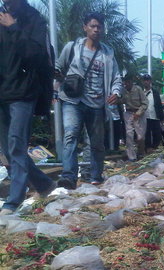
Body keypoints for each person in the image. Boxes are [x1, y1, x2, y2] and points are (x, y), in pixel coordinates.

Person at [0, 0, 56, 215]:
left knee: (16, 145)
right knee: (8, 150)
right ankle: (44, 184)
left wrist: (13, 27)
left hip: (23, 92)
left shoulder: (34, 19)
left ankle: (13, 200)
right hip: (2, 92)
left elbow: (36, 54)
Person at [55, 12, 123, 188]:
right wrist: (58, 84)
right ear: (85, 27)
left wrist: (116, 92)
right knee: (70, 134)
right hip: (72, 100)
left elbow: (116, 77)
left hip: (97, 103)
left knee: (97, 142)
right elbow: (58, 67)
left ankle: (95, 176)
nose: (96, 29)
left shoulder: (107, 54)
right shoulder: (72, 48)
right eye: (92, 26)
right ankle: (69, 176)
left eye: (99, 26)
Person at [120, 74, 148, 161]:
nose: (126, 84)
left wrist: (138, 113)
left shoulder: (138, 89)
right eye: (125, 82)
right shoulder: (123, 90)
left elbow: (145, 103)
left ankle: (141, 153)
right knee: (129, 135)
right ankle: (131, 157)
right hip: (128, 113)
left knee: (140, 137)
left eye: (127, 82)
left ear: (131, 82)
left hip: (139, 113)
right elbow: (123, 100)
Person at [142, 74, 164, 151]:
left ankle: (155, 147)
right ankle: (147, 147)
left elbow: (159, 105)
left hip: (154, 115)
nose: (146, 82)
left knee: (157, 133)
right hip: (145, 116)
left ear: (150, 81)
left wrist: (161, 118)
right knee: (146, 133)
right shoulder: (141, 92)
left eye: (147, 80)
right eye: (144, 80)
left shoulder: (155, 92)